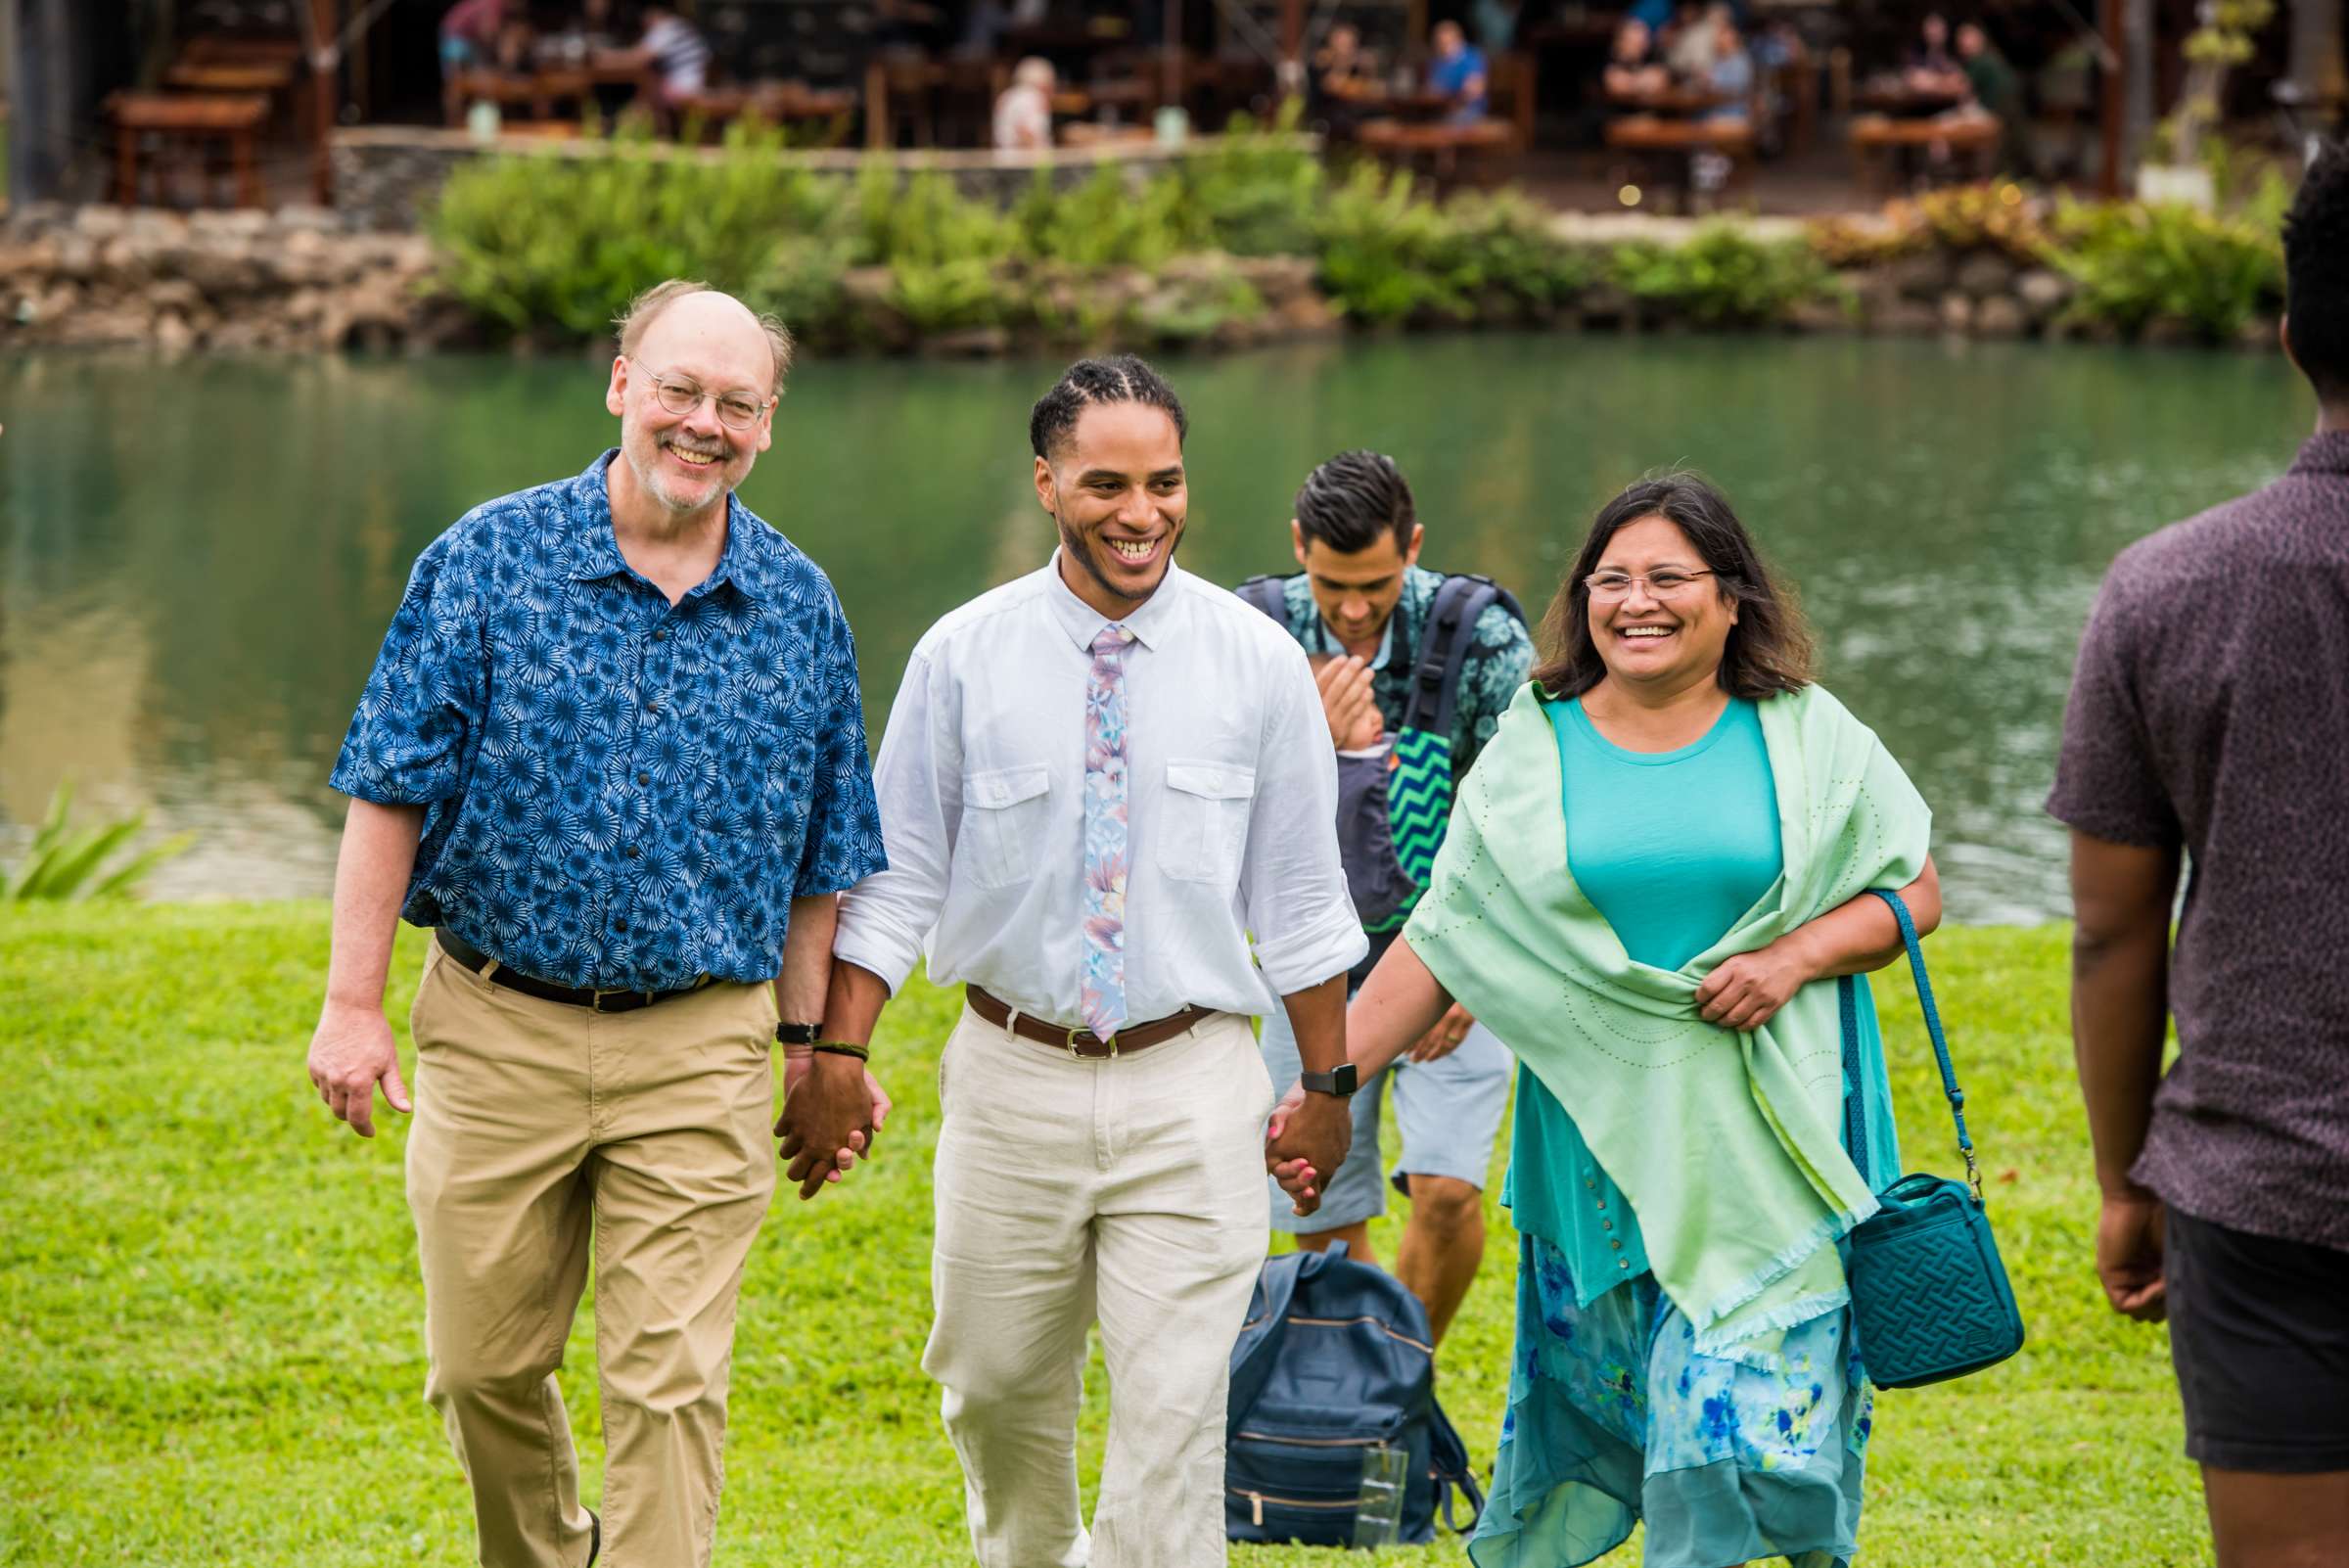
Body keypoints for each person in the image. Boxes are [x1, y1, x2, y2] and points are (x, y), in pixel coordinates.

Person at [304, 280, 889, 1568]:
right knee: (480, 1370)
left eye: (737, 403)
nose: (704, 423)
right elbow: (387, 786)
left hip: (700, 1045)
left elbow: (820, 862)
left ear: (770, 423)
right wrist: (352, 1002)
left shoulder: (799, 606)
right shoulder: (484, 560)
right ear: (622, 383)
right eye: (680, 388)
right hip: (497, 1024)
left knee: (669, 1380)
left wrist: (810, 1045)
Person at [1273, 473, 1943, 1567]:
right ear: (1583, 598)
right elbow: (1442, 937)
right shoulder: (1532, 746)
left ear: (1732, 600)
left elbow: (1912, 888)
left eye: (1670, 578)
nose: (1639, 600)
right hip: (1600, 1163)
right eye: (1613, 578)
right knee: (1634, 1428)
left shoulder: (1807, 733)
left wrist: (1793, 957)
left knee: (1713, 1446)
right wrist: (1324, 1090)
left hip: (1767, 1157)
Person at [827, 356, 1364, 1567]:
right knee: (992, 1389)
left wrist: (1327, 1092)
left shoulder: (1256, 659)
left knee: (1174, 1422)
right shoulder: (964, 655)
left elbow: (1299, 899)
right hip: (1013, 1077)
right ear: (1047, 482)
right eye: (1107, 482)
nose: (1142, 512)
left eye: (1166, 482)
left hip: (1194, 1086)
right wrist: (835, 1050)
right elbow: (900, 870)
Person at [2050, 142, 2349, 1568]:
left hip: (2256, 1186)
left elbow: (2114, 930)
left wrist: (2124, 1179)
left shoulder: (2168, 588)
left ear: (2291, 332)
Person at [1240, 450, 1532, 1347]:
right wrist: (1309, 748)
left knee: (1445, 1195)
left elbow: (1528, 821)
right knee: (1316, 1197)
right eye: (1332, 585)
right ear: (1298, 548)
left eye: (1374, 583)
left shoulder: (1483, 638)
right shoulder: (1253, 633)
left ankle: (1403, 1377)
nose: (1354, 610)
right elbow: (1214, 817)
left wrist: (1474, 977)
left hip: (1455, 957)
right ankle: (1375, 1394)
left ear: (1413, 547)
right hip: (1312, 963)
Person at [1955, 21, 2028, 172]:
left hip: (1995, 115)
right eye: (1961, 37)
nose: (1962, 41)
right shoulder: (1991, 57)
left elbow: (1960, 89)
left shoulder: (1980, 61)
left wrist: (1930, 81)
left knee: (1943, 124)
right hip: (2008, 115)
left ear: (1979, 39)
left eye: (1967, 37)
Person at [636, 5, 712, 103]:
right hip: (698, 87)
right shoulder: (683, 26)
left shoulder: (666, 27)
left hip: (682, 90)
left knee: (644, 74)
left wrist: (611, 58)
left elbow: (638, 59)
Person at [1428, 20, 1489, 122]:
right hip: (1441, 110)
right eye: (1440, 43)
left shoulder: (1472, 58)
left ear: (1459, 40)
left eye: (1448, 43)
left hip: (1469, 110)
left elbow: (1474, 91)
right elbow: (1432, 88)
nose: (1444, 47)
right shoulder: (1437, 62)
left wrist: (1453, 100)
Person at [992, 56, 1056, 151]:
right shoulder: (1032, 97)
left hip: (1004, 157)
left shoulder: (1008, 95)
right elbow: (1026, 134)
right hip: (1024, 161)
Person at [1603, 17, 1670, 99]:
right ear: (1621, 42)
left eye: (1645, 41)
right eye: (1637, 44)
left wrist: (1631, 81)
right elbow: (1617, 84)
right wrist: (1644, 81)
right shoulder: (1610, 63)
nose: (1644, 46)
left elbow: (1660, 78)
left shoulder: (1650, 58)